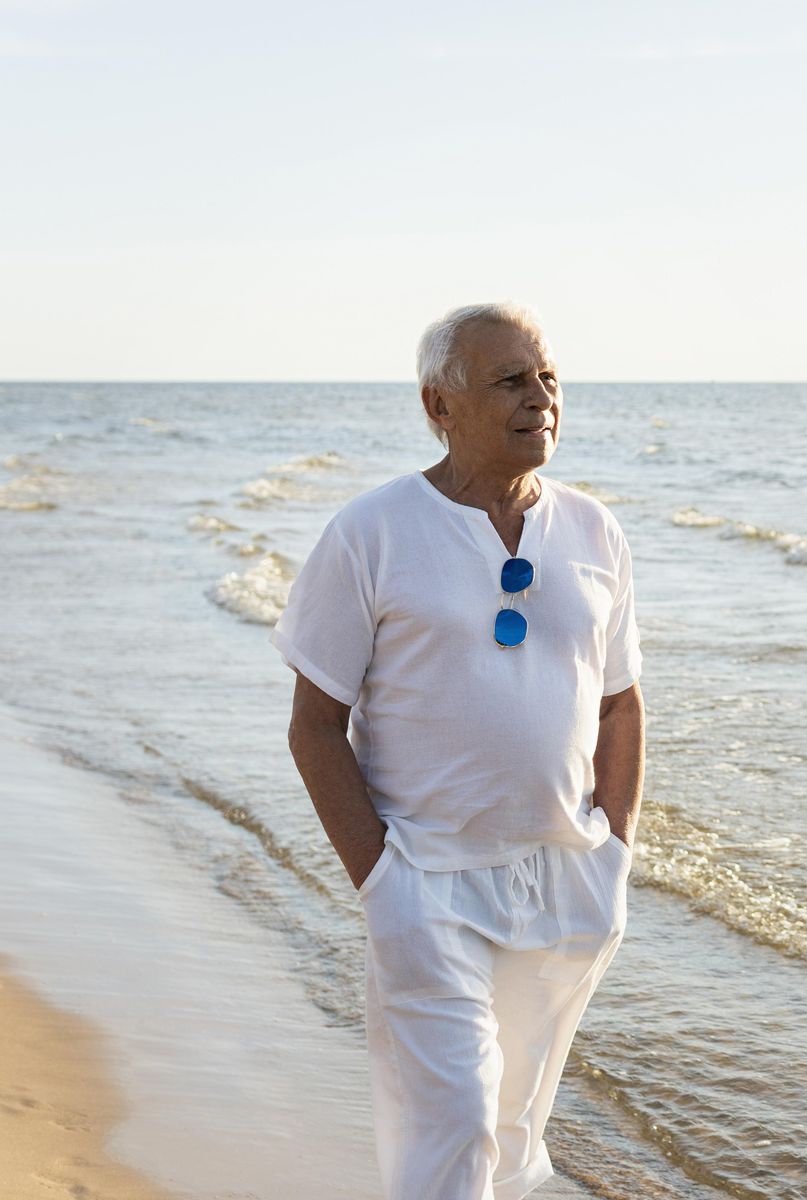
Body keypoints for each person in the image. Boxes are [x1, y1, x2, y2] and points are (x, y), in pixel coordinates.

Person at [272, 300, 644, 1200]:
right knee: (458, 1127)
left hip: (564, 884)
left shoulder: (594, 531)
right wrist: (382, 882)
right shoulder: (372, 531)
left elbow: (622, 707)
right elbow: (315, 724)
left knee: (512, 1138)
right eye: (511, 381)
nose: (541, 399)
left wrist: (616, 855)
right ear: (440, 405)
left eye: (549, 377)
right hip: (427, 881)